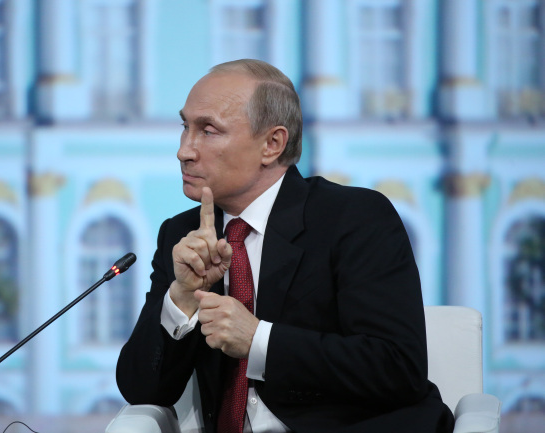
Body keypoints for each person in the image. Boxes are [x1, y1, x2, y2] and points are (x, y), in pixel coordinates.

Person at [116, 59, 454, 433]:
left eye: (208, 130)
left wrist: (259, 340)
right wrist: (180, 298)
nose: (184, 150)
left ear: (272, 144)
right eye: (185, 127)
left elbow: (397, 368)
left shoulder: (353, 217)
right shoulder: (181, 234)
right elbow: (142, 389)